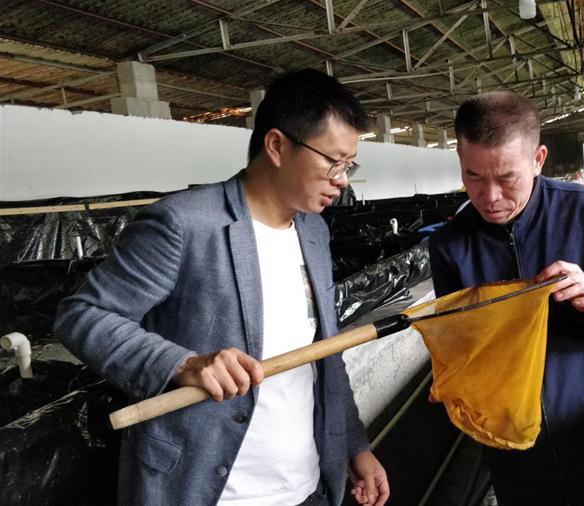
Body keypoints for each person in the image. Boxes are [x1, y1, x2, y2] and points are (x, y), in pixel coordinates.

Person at [54, 69, 389, 506]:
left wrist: (354, 445)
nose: (342, 179)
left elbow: (325, 353)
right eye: (334, 161)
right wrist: (182, 363)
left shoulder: (313, 233)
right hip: (212, 491)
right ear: (277, 146)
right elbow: (83, 315)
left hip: (305, 487)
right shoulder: (185, 224)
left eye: (349, 165)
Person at [428, 91, 584, 505]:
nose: (490, 197)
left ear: (538, 159)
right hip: (515, 452)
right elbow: (460, 344)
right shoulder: (450, 246)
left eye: (507, 178)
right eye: (473, 176)